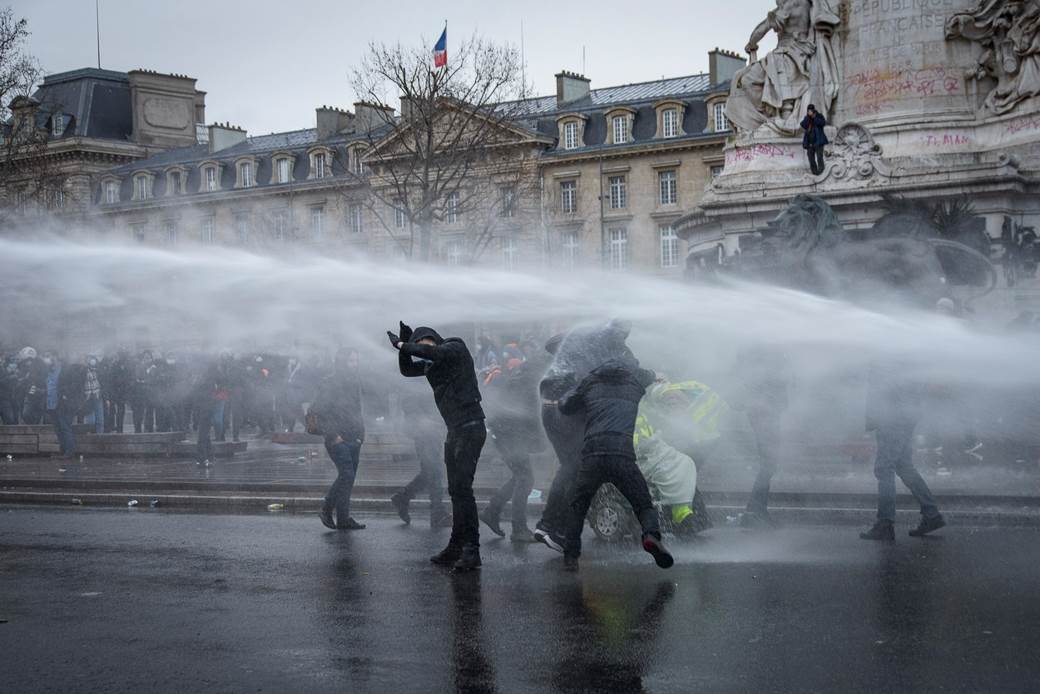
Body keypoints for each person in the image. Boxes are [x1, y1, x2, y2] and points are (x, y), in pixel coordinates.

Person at [558, 355, 674, 572]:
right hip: (622, 455)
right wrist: (660, 376)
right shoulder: (636, 378)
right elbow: (656, 376)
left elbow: (565, 406)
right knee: (643, 504)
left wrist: (572, 394)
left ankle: (571, 557)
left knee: (578, 505)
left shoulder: (591, 380)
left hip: (593, 454)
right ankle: (650, 536)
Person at [388, 322, 486, 572]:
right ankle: (455, 546)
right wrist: (404, 349)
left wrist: (403, 345)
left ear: (435, 340)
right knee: (455, 492)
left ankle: (472, 550)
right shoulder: (433, 365)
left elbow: (435, 353)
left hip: (471, 427)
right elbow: (407, 370)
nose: (423, 350)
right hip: (454, 431)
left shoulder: (455, 348)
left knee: (463, 491)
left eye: (426, 345)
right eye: (419, 346)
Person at [860, 359, 946, 541]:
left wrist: (875, 417)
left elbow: (884, 389)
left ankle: (885, 523)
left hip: (892, 418)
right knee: (904, 466)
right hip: (903, 416)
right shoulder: (903, 351)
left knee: (884, 468)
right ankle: (931, 514)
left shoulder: (889, 353)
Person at [479, 355, 545, 543]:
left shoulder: (519, 379)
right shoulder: (527, 384)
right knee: (525, 478)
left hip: (506, 434)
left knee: (519, 476)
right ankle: (519, 529)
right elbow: (528, 414)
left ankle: (492, 511)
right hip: (510, 435)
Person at [311, 347, 366, 531]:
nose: (355, 365)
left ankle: (343, 519)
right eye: (351, 361)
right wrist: (334, 435)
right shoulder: (329, 383)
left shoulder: (355, 381)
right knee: (346, 475)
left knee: (348, 479)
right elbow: (318, 411)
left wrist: (361, 436)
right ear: (342, 362)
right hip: (337, 439)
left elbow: (357, 410)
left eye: (356, 361)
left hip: (354, 437)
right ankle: (326, 509)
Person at [390, 378, 452, 529]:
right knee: (435, 471)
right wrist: (425, 422)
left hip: (432, 433)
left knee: (429, 472)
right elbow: (411, 406)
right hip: (424, 435)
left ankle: (403, 497)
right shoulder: (417, 383)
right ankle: (437, 512)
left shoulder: (431, 381)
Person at [801, 104, 828, 175]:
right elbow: (803, 125)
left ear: (813, 110)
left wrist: (814, 117)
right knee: (811, 158)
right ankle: (815, 172)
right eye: (808, 111)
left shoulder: (819, 116)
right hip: (810, 143)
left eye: (810, 110)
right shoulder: (807, 118)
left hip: (818, 141)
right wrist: (808, 117)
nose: (809, 112)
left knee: (819, 157)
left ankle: (821, 172)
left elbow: (823, 123)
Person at [83, 354, 105, 434]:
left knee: (100, 418)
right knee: (90, 419)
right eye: (90, 359)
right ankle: (91, 435)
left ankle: (99, 435)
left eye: (93, 358)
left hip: (97, 395)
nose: (92, 360)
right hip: (88, 397)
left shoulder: (99, 370)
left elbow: (103, 382)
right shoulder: (83, 370)